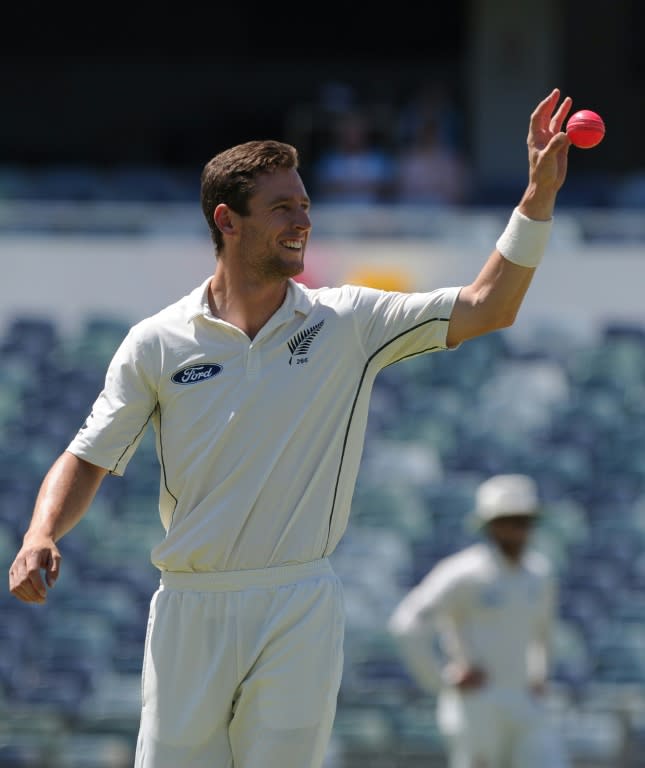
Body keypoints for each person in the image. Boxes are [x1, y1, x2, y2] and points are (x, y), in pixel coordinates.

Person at [8, 88, 573, 768]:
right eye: (282, 208)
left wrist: (537, 194)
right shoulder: (155, 342)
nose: (301, 221)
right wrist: (41, 533)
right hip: (190, 604)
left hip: (298, 599)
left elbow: (489, 306)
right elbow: (87, 456)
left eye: (305, 206)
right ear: (228, 220)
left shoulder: (349, 322)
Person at [387, 473, 571, 768]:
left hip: (524, 700)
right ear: (491, 525)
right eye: (510, 520)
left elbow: (544, 633)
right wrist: (441, 680)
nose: (518, 530)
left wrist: (539, 677)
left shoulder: (540, 573)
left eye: (524, 521)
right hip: (477, 703)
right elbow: (407, 623)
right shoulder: (463, 573)